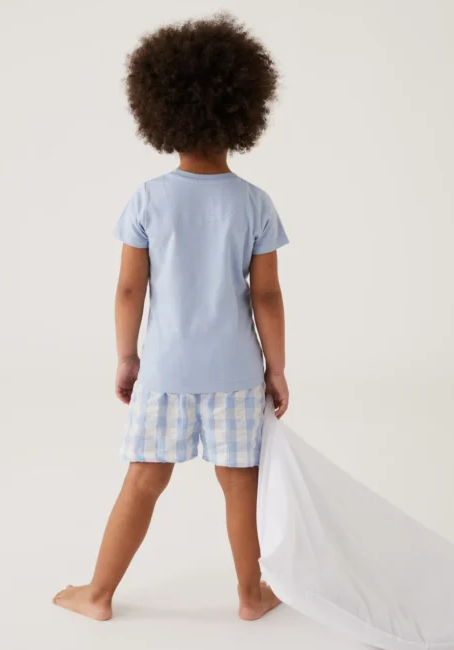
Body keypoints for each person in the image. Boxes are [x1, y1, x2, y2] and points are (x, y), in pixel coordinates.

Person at [53, 12, 289, 622]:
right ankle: (250, 595)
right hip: (236, 373)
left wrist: (126, 357)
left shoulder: (149, 198)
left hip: (165, 371)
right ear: (242, 113)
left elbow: (129, 289)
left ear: (162, 114)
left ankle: (98, 595)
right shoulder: (254, 203)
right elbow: (266, 297)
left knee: (142, 481)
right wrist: (277, 369)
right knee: (240, 484)